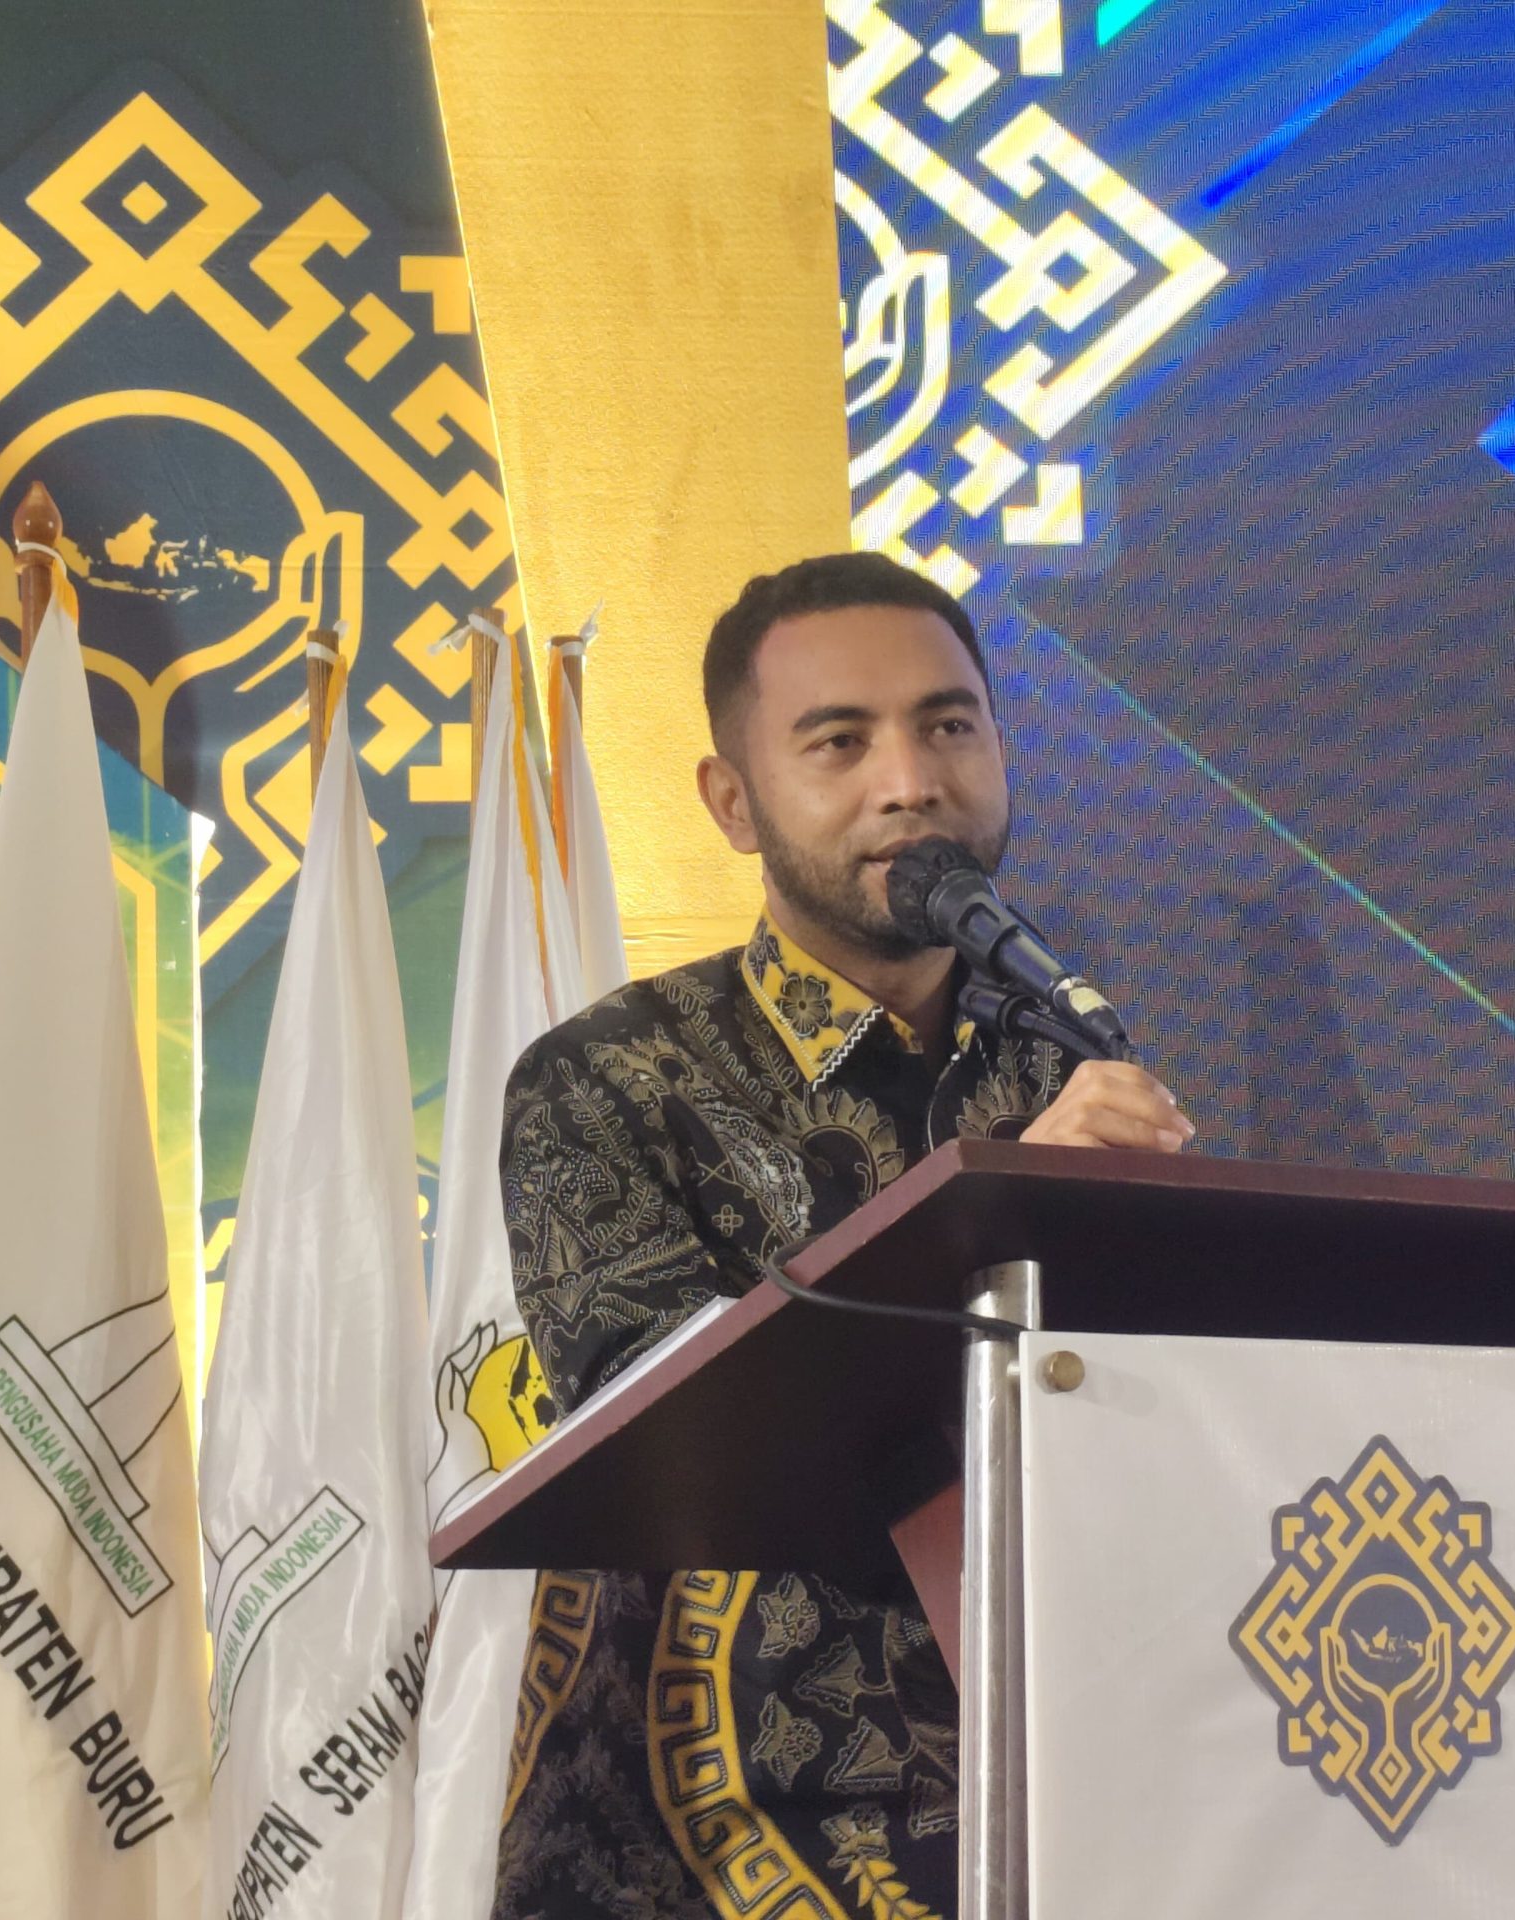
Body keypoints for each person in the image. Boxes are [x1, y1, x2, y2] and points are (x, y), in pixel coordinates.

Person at [488, 552, 1192, 1920]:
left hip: (1056, 1811)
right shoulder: (608, 1077)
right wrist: (998, 1214)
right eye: (840, 741)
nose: (910, 780)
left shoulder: (1067, 1066)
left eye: (949, 724)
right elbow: (678, 1433)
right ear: (731, 802)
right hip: (708, 1835)